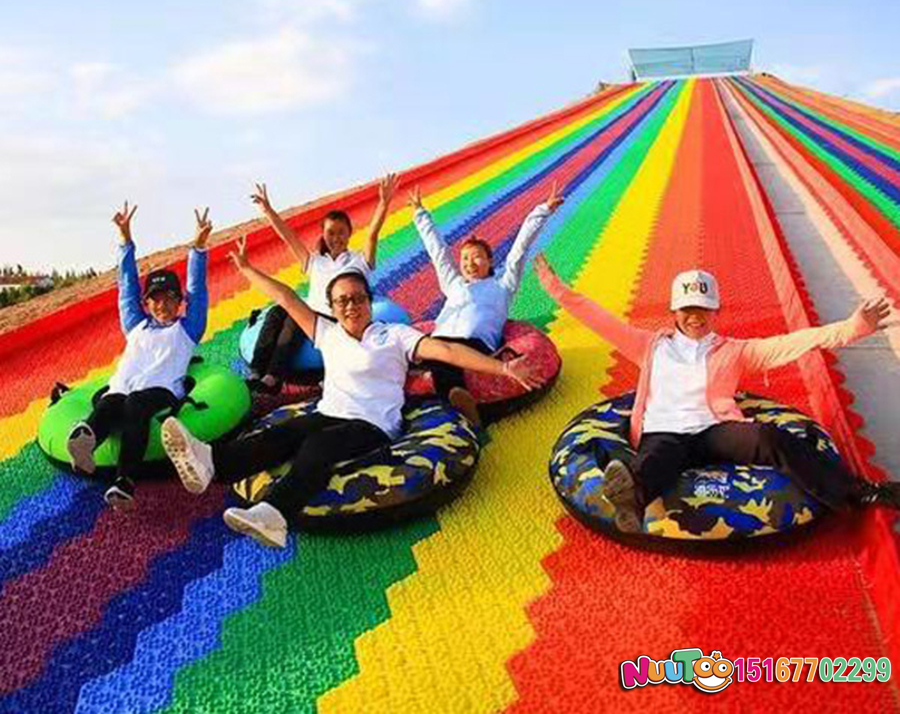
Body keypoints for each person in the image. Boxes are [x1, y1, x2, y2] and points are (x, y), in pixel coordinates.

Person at [160, 237, 541, 548]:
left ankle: (274, 515)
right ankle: (212, 463)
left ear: (369, 302)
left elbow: (446, 351)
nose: (351, 305)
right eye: (342, 300)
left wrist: (502, 368)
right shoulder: (327, 333)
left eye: (358, 298)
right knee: (283, 434)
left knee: (318, 447)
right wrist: (246, 269)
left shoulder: (394, 335)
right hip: (330, 412)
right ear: (332, 306)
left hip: (373, 425)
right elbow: (287, 299)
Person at [535, 258, 900, 533]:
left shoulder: (734, 351)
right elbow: (597, 317)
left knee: (769, 438)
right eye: (688, 309)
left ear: (715, 310)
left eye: (704, 309)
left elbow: (792, 343)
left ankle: (859, 493)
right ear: (674, 311)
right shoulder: (650, 346)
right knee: (656, 459)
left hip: (714, 431)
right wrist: (555, 287)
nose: (696, 317)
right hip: (665, 431)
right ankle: (630, 500)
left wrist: (851, 328)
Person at [66, 201, 212, 509]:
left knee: (134, 403)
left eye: (169, 298)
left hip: (161, 391)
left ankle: (125, 481)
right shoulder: (136, 325)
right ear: (147, 304)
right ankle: (86, 442)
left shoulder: (187, 329)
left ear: (179, 301)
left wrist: (197, 249)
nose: (162, 305)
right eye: (155, 300)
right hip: (122, 388)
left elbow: (198, 290)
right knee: (111, 401)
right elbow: (127, 288)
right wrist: (125, 240)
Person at [410, 181, 565, 425]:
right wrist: (420, 214)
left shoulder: (503, 285)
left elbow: (520, 248)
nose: (469, 263)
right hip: (436, 340)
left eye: (477, 257)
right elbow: (438, 252)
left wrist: (543, 210)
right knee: (411, 351)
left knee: (445, 363)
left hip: (474, 343)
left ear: (490, 261)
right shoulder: (453, 284)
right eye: (465, 259)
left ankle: (461, 403)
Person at [246, 175, 397, 393]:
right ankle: (256, 370)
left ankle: (273, 378)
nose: (336, 238)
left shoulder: (359, 261)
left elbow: (372, 234)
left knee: (294, 319)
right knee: (277, 311)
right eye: (331, 233)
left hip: (334, 318)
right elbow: (289, 237)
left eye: (341, 232)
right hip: (310, 313)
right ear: (324, 235)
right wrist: (268, 211)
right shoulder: (315, 261)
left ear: (349, 233)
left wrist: (383, 203)